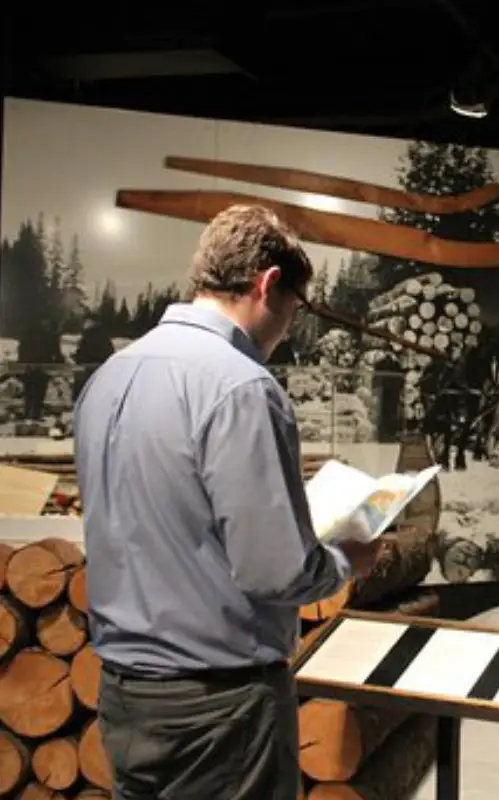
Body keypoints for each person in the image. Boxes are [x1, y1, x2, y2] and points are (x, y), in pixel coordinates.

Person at [72, 205, 383, 799]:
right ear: (268, 284)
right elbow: (276, 570)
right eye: (295, 308)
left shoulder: (109, 377)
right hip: (221, 708)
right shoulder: (241, 387)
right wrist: (348, 561)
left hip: (123, 693)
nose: (289, 328)